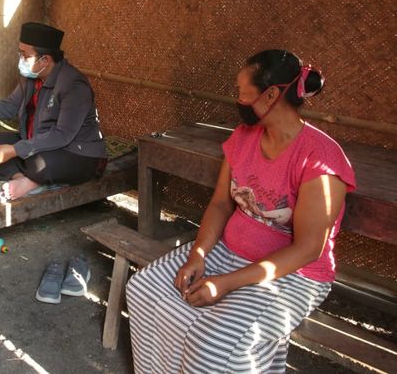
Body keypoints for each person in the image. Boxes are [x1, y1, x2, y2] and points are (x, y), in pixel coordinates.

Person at [126, 49, 356, 373]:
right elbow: (221, 203)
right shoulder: (244, 136)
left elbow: (307, 250)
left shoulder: (320, 160)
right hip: (228, 252)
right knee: (144, 291)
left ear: (271, 94)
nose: (238, 99)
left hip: (293, 275)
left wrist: (226, 283)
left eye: (242, 92)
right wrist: (198, 256)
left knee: (214, 345)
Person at [0, 22, 107, 200]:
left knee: (39, 162)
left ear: (45, 60)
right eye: (20, 53)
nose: (21, 59)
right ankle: (21, 179)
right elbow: (10, 105)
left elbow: (62, 135)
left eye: (25, 55)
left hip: (77, 153)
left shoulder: (73, 85)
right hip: (39, 141)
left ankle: (29, 182)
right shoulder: (31, 78)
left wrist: (16, 150)